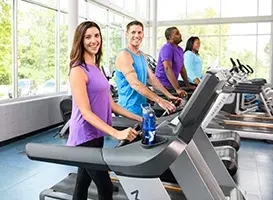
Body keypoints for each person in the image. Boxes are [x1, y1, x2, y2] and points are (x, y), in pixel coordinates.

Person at [67, 21, 142, 200]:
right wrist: (116, 133)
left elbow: (112, 105)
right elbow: (85, 112)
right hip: (85, 135)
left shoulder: (97, 67)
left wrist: (139, 118)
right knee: (105, 186)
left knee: (83, 181)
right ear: (80, 41)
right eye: (88, 37)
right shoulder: (78, 70)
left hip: (97, 133)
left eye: (97, 35)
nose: (94, 40)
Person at [115, 20, 180, 116]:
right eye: (133, 32)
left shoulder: (142, 55)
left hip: (141, 108)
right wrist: (159, 100)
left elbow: (151, 78)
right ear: (126, 34)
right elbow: (135, 84)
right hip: (128, 110)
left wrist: (168, 95)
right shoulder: (124, 55)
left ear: (143, 34)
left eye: (139, 32)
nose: (137, 35)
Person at [155, 27, 195, 97]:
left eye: (179, 33)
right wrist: (177, 89)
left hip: (171, 85)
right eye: (177, 34)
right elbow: (167, 68)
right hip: (163, 86)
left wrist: (188, 85)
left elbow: (182, 69)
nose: (180, 35)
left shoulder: (180, 50)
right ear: (170, 37)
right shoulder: (167, 48)